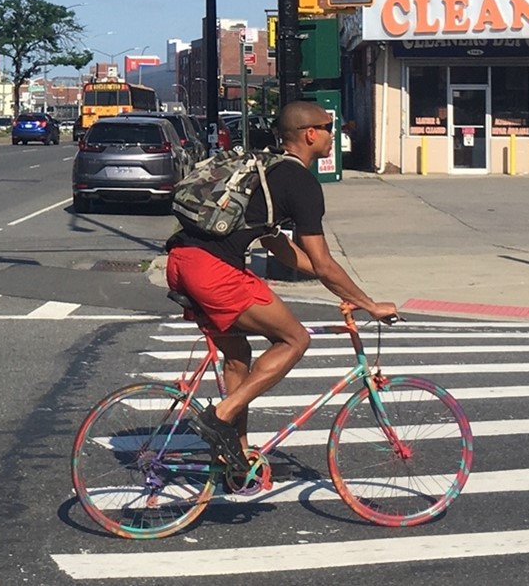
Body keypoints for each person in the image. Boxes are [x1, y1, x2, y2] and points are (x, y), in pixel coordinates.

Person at [165, 100, 397, 473]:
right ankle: (219, 416)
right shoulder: (300, 182)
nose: (332, 135)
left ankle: (233, 459)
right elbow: (321, 260)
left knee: (238, 356)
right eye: (327, 128)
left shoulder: (265, 170)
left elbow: (284, 252)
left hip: (181, 262)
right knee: (295, 339)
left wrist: (337, 287)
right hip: (213, 272)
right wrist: (368, 304)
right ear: (310, 134)